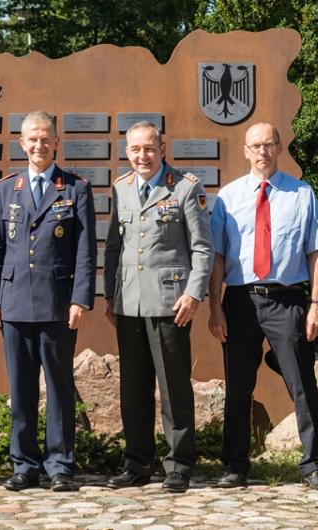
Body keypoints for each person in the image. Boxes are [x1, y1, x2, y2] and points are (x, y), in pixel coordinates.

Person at [208, 122, 318, 491]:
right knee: (238, 387)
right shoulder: (228, 198)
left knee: (302, 384)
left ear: (279, 148)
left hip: (288, 300)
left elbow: (317, 253)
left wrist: (316, 304)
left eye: (269, 144)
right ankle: (234, 465)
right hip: (240, 301)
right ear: (245, 151)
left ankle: (314, 465)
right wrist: (215, 308)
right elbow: (217, 257)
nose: (262, 151)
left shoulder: (301, 194)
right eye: (255, 145)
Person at [0, 111, 96, 492]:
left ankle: (60, 464)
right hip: (14, 302)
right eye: (32, 139)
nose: (38, 145)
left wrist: (81, 298)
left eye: (45, 138)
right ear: (22, 143)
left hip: (58, 304)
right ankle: (24, 464)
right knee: (22, 388)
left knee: (60, 387)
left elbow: (85, 250)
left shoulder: (75, 188)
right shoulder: (6, 189)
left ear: (56, 142)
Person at [102, 121, 213, 492]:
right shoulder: (121, 188)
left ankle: (179, 464)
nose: (142, 156)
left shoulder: (185, 187)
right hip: (129, 302)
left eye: (149, 149)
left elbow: (202, 247)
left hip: (171, 302)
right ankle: (137, 463)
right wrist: (110, 296)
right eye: (135, 149)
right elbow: (114, 249)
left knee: (173, 387)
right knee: (133, 389)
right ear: (127, 152)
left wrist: (194, 294)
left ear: (162, 150)